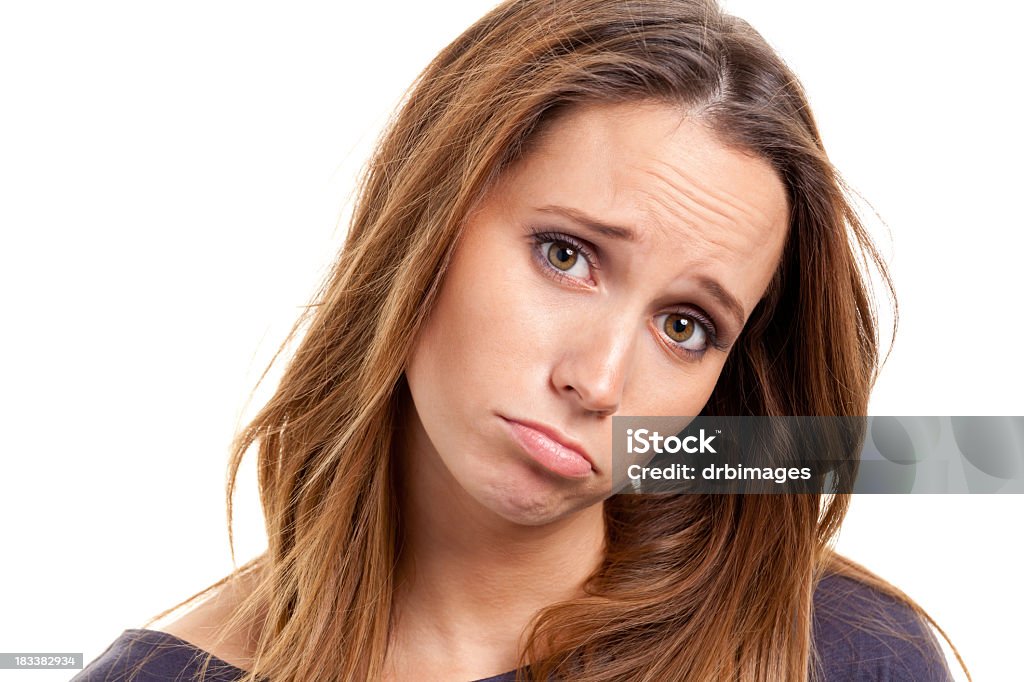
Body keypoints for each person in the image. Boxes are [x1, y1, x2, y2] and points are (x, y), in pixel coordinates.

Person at [74, 0, 967, 680]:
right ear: (426, 222)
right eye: (567, 255)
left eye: (685, 326)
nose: (602, 380)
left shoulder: (838, 650)